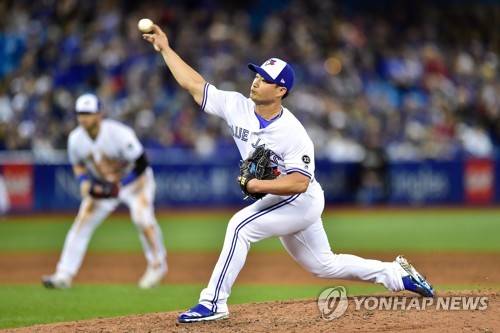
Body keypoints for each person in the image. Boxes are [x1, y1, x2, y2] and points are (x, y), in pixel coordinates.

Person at [142, 24, 435, 323]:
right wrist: (165, 48)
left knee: (240, 226)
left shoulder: (293, 132)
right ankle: (395, 274)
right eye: (256, 75)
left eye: (265, 80)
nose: (256, 82)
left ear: (280, 90)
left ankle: (214, 302)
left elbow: (299, 182)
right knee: (324, 266)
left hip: (300, 200)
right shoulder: (236, 106)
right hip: (284, 198)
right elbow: (195, 86)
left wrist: (256, 183)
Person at [42, 93, 167, 289]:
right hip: (105, 184)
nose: (83, 118)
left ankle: (157, 265)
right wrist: (83, 181)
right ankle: (63, 274)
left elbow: (142, 162)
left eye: (88, 113)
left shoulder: (118, 133)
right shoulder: (75, 139)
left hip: (136, 182)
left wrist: (122, 184)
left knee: (142, 218)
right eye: (80, 113)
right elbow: (78, 164)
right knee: (82, 222)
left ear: (100, 114)